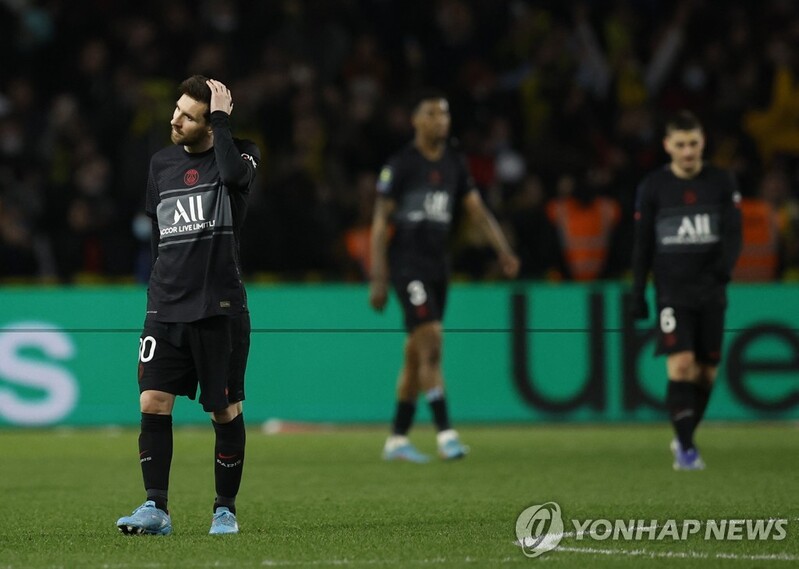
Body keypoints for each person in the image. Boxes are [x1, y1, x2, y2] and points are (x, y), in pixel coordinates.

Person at [116, 75, 259, 535]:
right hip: (165, 307)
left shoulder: (240, 154)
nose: (174, 119)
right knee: (153, 401)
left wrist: (222, 121)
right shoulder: (160, 165)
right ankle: (155, 508)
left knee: (224, 410)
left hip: (218, 307)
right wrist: (157, 291)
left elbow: (236, 178)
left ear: (212, 125)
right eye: (177, 109)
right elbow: (159, 236)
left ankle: (225, 509)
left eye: (189, 115)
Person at [369, 89, 520, 463]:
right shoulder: (402, 164)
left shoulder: (454, 164)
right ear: (417, 121)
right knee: (432, 341)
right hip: (407, 266)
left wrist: (503, 250)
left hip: (438, 268)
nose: (442, 121)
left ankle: (397, 439)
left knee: (415, 353)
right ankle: (446, 434)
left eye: (446, 115)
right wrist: (378, 276)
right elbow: (378, 223)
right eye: (434, 114)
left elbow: (477, 211)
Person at [630, 110, 741, 471]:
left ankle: (682, 435)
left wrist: (722, 272)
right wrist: (637, 292)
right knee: (681, 365)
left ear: (703, 142)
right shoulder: (653, 187)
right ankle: (689, 450)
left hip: (710, 292)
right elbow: (642, 245)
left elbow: (733, 234)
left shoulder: (722, 182)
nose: (688, 151)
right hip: (671, 293)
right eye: (680, 144)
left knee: (706, 373)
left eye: (693, 143)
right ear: (667, 146)